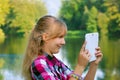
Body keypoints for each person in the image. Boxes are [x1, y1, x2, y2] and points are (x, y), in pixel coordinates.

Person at [22, 15, 103, 80]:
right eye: (60, 37)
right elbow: (76, 75)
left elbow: (75, 77)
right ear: (45, 37)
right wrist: (80, 66)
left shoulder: (56, 63)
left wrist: (94, 64)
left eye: (64, 37)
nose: (64, 42)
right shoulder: (39, 63)